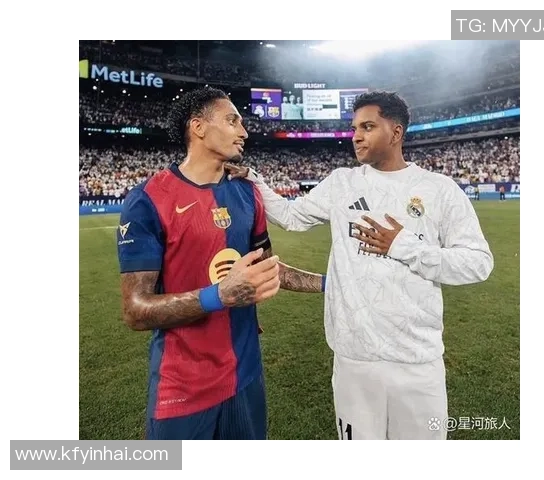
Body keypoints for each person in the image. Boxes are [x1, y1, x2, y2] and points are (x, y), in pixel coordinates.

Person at [226, 91, 494, 440]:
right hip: (354, 357)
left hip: (417, 360)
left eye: (368, 127)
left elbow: (478, 262)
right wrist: (254, 179)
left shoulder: (439, 189)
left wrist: (405, 247)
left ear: (396, 132)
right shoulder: (342, 183)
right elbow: (291, 216)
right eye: (354, 128)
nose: (356, 136)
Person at [116, 87, 325, 441]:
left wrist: (329, 282)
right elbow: (135, 310)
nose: (244, 132)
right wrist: (219, 296)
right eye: (232, 121)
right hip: (182, 388)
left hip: (245, 374)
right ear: (198, 127)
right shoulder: (149, 200)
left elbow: (267, 266)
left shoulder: (248, 193)